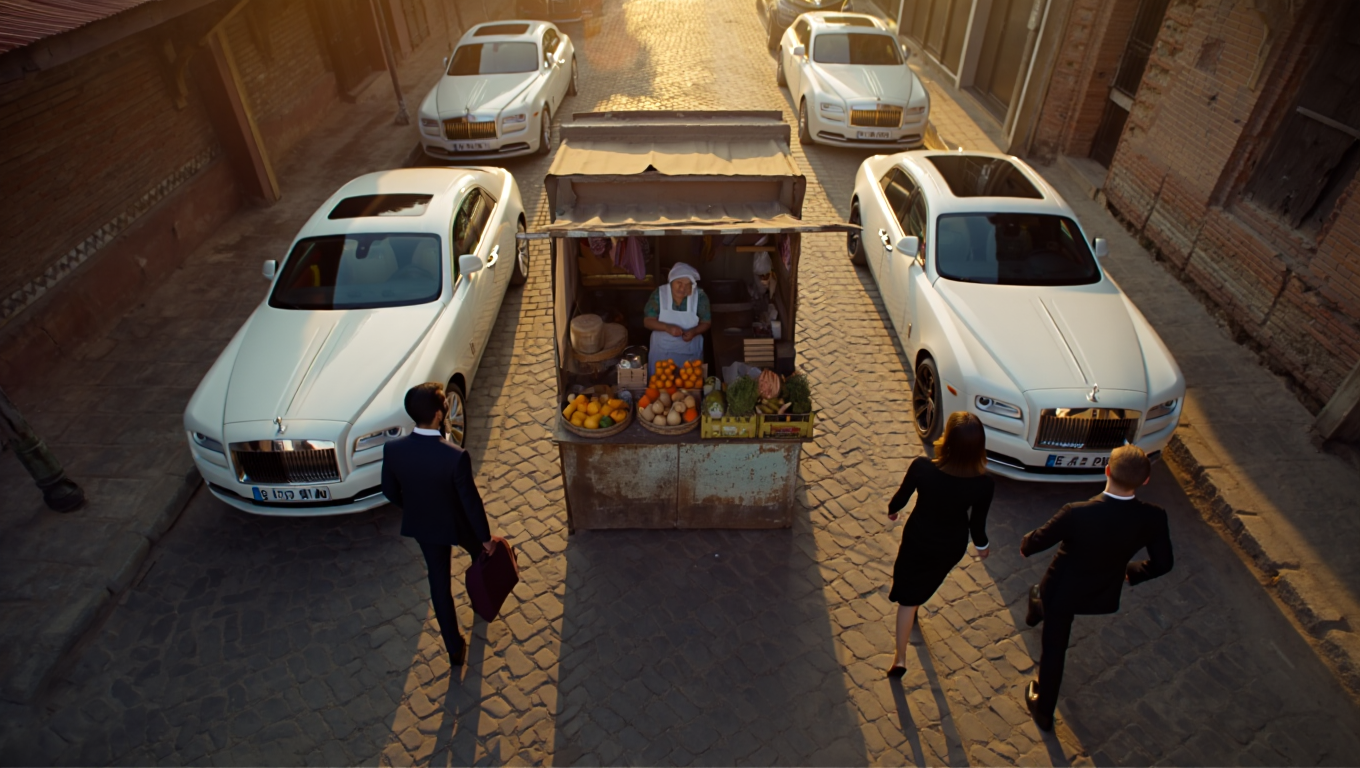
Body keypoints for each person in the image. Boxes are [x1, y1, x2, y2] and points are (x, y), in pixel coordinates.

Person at [1019, 444, 1174, 731]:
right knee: (1043, 608)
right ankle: (1035, 611)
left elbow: (1034, 543)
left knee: (1054, 648)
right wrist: (1130, 573)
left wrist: (1026, 544)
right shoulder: (1154, 517)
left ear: (1107, 471)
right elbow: (1163, 563)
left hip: (1061, 590)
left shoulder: (1077, 512)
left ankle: (1043, 711)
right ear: (1145, 480)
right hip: (1101, 590)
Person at [381, 382, 496, 667]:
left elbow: (390, 491)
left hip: (426, 527)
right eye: (444, 404)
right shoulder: (455, 456)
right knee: (480, 556)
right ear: (437, 415)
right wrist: (486, 539)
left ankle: (454, 649)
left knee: (439, 583)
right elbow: (471, 502)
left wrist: (414, 507)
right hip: (458, 522)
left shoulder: (393, 450)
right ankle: (482, 602)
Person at [885, 412, 994, 678]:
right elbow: (977, 525)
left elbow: (901, 497)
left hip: (918, 539)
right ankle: (916, 603)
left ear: (947, 440)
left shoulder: (922, 467)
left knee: (907, 599)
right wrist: (982, 547)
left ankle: (900, 658)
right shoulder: (984, 484)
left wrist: (893, 510)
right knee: (923, 585)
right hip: (950, 546)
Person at [643, 262, 711, 375]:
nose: (682, 288)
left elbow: (706, 322)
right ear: (671, 282)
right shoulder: (659, 294)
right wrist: (667, 327)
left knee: (689, 383)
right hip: (662, 352)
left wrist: (694, 331)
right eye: (679, 283)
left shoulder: (700, 296)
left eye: (687, 285)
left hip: (690, 352)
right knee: (661, 383)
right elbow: (647, 321)